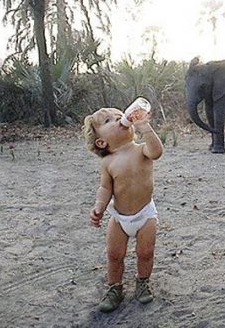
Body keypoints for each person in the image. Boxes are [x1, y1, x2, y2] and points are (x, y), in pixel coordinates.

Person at [82, 107, 164, 313]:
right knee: (114, 254)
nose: (119, 118)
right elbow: (105, 188)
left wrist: (145, 127)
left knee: (145, 252)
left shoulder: (141, 149)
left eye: (120, 115)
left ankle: (142, 282)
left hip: (145, 214)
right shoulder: (107, 162)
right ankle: (114, 288)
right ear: (102, 142)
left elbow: (157, 152)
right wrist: (99, 207)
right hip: (118, 217)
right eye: (109, 120)